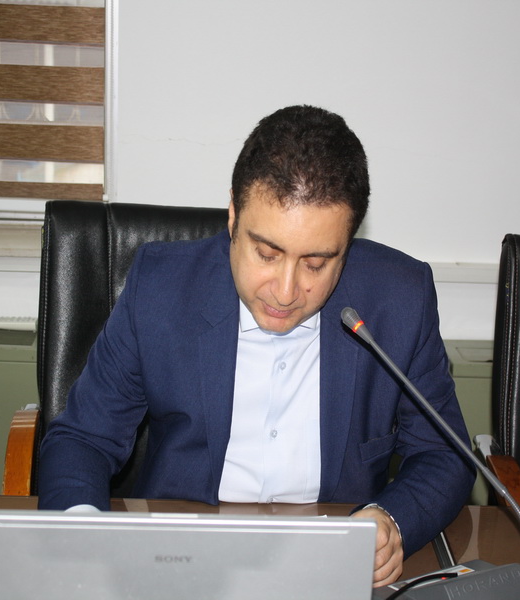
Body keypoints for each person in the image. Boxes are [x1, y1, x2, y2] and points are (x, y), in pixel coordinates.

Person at [38, 105, 474, 586]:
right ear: (233, 214)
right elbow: (82, 439)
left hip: (329, 568)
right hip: (181, 562)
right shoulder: (161, 287)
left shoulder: (399, 299)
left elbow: (445, 454)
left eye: (316, 264)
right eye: (267, 254)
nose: (285, 292)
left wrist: (391, 521)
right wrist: (85, 539)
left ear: (349, 243)